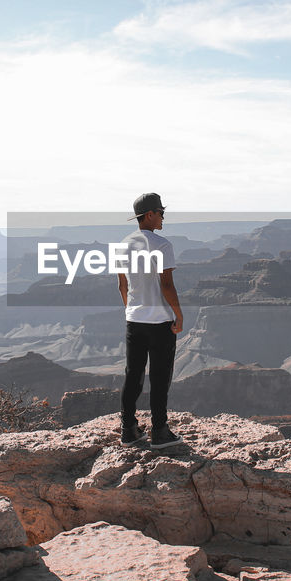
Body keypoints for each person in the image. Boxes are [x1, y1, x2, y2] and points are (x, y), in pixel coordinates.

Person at [117, 192, 184, 448]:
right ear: (149, 215)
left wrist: (131, 311)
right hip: (160, 322)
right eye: (160, 212)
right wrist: (178, 314)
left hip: (134, 321)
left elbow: (122, 286)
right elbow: (167, 285)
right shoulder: (162, 244)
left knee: (132, 375)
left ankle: (129, 430)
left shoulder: (123, 244)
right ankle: (159, 431)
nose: (163, 216)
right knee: (159, 377)